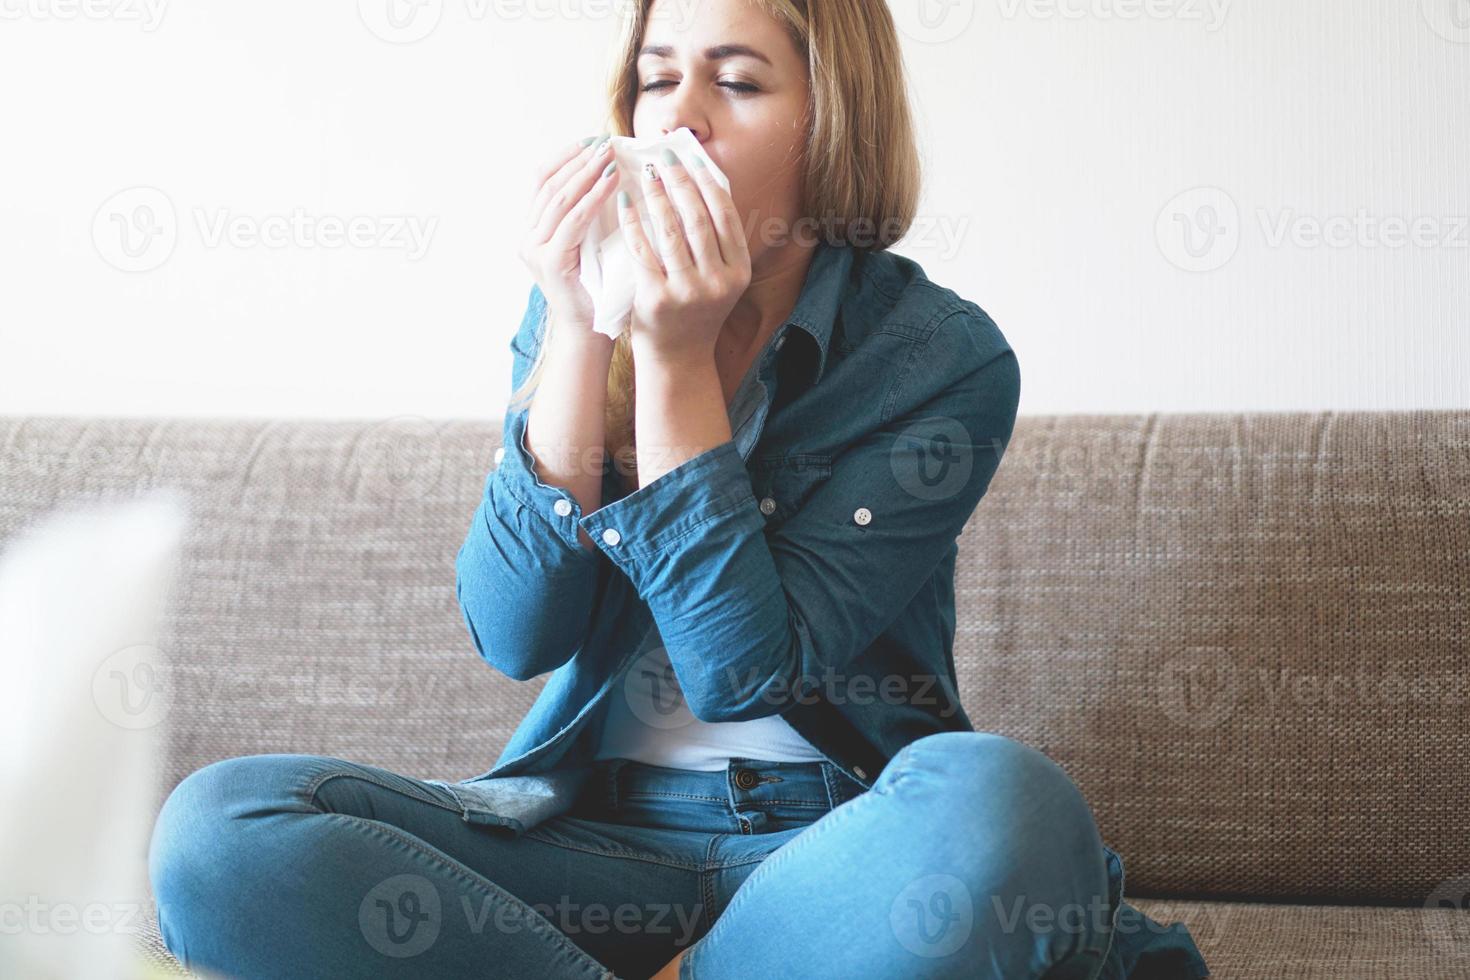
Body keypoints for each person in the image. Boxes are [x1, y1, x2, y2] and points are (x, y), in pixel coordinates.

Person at [148, 2, 1211, 977]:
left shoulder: (940, 357)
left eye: (737, 84)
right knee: (221, 828)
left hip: (830, 855)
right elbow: (516, 631)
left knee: (1002, 803)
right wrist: (575, 326)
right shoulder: (574, 305)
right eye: (658, 81)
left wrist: (672, 361)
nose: (681, 121)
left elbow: (739, 669)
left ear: (831, 125)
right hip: (587, 841)